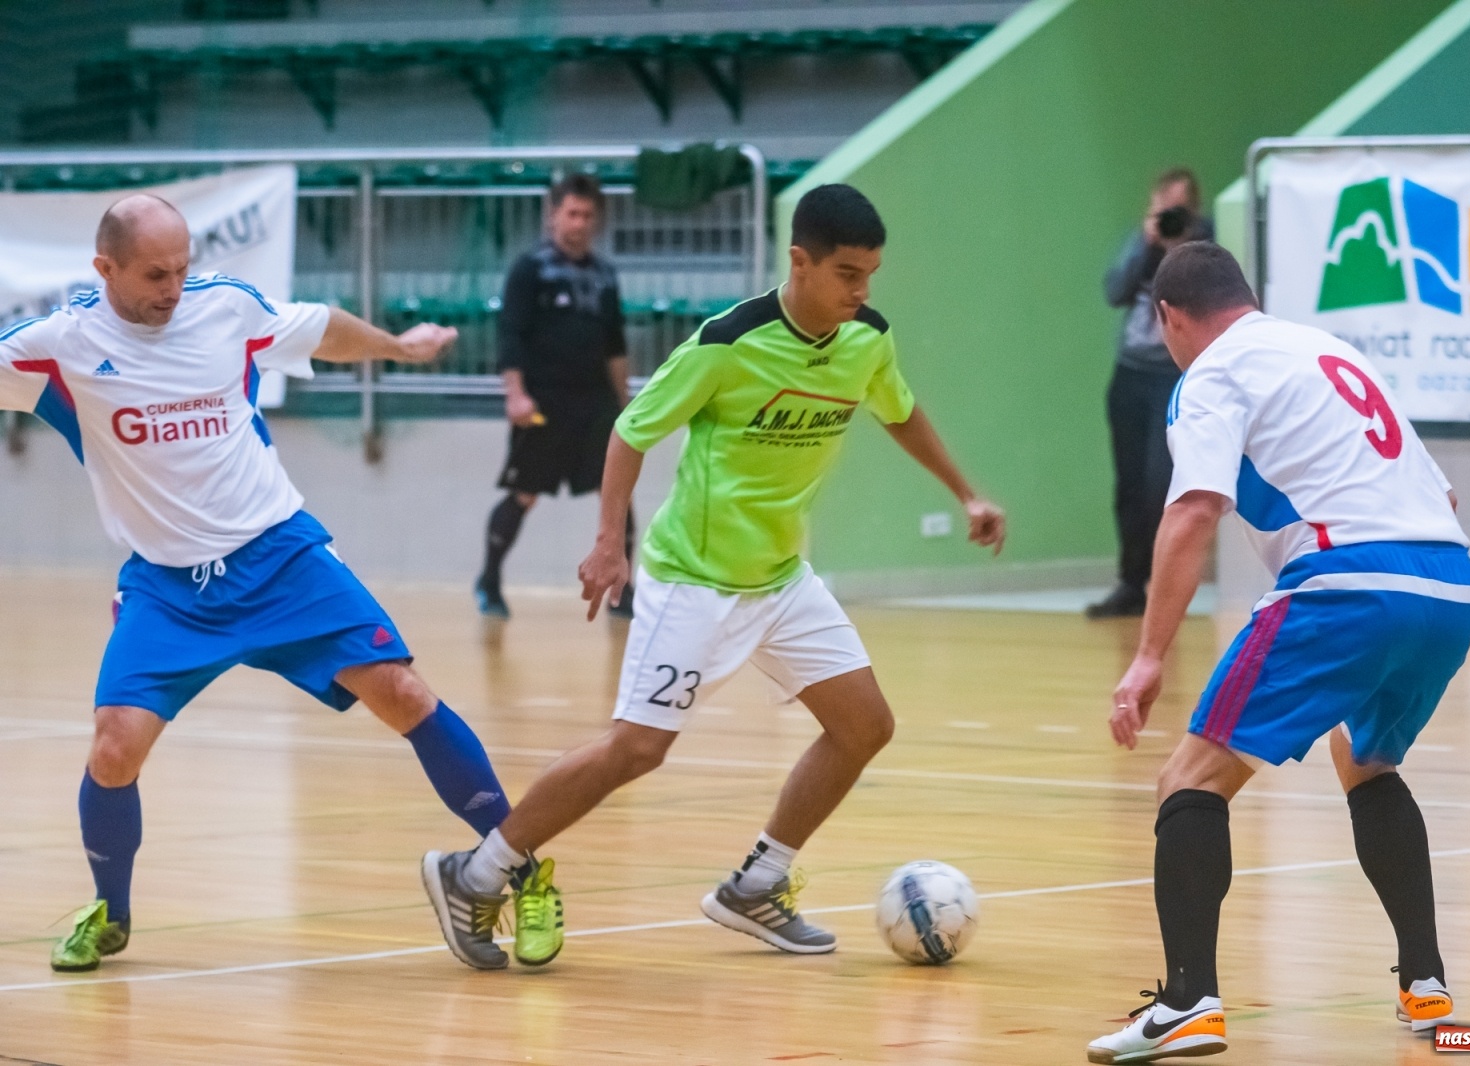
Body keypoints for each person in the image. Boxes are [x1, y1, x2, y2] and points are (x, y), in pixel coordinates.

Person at [420, 183, 1007, 971]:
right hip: (694, 579)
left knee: (864, 724)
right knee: (636, 750)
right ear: (798, 261)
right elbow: (632, 432)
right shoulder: (726, 344)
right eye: (846, 274)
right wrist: (607, 545)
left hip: (780, 576)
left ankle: (756, 884)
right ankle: (477, 872)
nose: (862, 291)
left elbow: (897, 410)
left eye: (871, 274)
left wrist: (964, 491)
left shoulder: (867, 339)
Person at [0, 195, 524, 973]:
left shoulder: (225, 309)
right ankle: (109, 914)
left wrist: (399, 349)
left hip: (280, 558)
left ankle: (518, 868)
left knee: (407, 694)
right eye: (153, 274)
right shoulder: (58, 348)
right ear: (103, 269)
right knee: (114, 749)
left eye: (180, 268)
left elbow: (321, 327)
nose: (173, 287)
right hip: (167, 589)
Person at [1088, 242, 1470, 1064]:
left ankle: (1189, 1002)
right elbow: (1440, 493)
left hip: (1349, 581)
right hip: (1449, 582)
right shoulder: (1330, 351)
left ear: (1170, 319)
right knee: (1363, 761)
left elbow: (1193, 509)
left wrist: (1149, 654)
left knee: (1189, 779)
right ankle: (1426, 981)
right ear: (1248, 295)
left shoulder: (1212, 374)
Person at [475, 173, 636, 620]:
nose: (580, 223)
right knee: (525, 494)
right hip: (543, 403)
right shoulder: (531, 270)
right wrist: (516, 395)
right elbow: (510, 335)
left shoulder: (605, 275)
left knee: (617, 494)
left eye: (588, 215)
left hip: (595, 402)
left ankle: (624, 590)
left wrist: (625, 407)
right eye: (572, 213)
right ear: (554, 216)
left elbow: (615, 345)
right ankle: (489, 582)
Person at [1089, 168, 1213, 619]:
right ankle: (1130, 584)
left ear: (1194, 210)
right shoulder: (1140, 240)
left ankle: (1167, 585)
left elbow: (1204, 301)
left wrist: (1180, 250)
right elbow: (1114, 290)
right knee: (1129, 485)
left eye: (1175, 210)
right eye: (1160, 208)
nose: (1167, 218)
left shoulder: (1205, 248)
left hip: (1174, 376)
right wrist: (1147, 244)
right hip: (1130, 374)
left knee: (1162, 483)